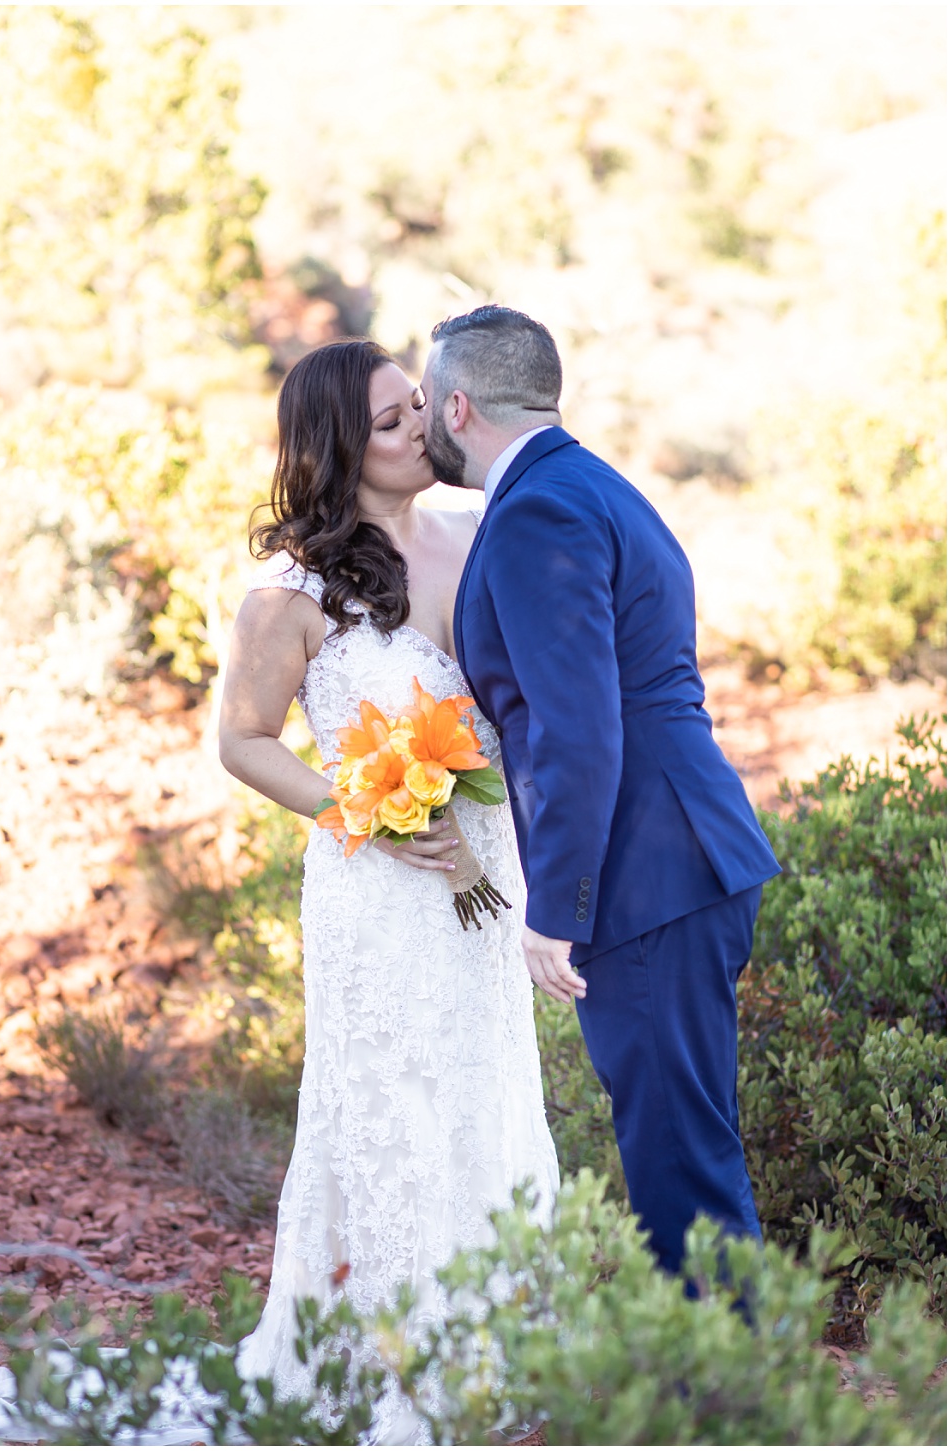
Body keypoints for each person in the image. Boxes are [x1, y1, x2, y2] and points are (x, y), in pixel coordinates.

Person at [218, 338, 560, 1443]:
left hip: (486, 873)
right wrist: (358, 803)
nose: (420, 427)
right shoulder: (290, 590)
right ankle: (386, 1358)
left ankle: (497, 1341)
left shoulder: (479, 535)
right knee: (389, 1101)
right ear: (335, 445)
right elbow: (242, 740)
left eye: (418, 406)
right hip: (376, 887)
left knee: (485, 1087)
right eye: (389, 420)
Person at [420, 304, 779, 1276]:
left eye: (422, 403)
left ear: (458, 405)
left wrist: (557, 906)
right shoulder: (592, 484)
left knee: (678, 1161)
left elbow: (578, 728)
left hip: (647, 872)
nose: (418, 424)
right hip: (685, 854)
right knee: (686, 1144)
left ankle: (728, 1405)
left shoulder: (538, 510)